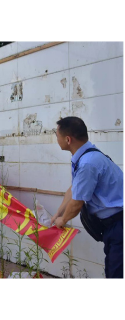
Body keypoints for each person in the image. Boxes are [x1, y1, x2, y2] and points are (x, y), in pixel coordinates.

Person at [51, 116, 124, 279]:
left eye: (57, 136)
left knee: (116, 274)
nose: (56, 139)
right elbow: (74, 189)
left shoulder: (87, 164)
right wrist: (58, 214)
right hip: (114, 226)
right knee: (114, 269)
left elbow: (77, 203)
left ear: (68, 139)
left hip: (119, 224)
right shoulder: (86, 156)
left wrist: (62, 221)